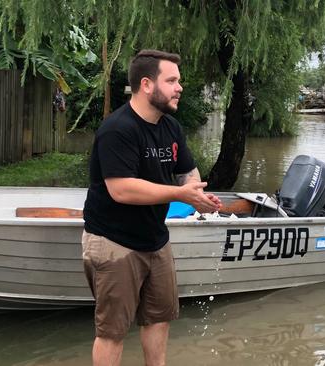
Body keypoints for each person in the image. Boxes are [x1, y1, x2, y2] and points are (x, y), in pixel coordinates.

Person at [82, 49, 222, 366]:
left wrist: (196, 192)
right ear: (147, 84)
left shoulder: (171, 127)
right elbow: (122, 189)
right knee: (112, 331)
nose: (179, 87)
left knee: (159, 317)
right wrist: (180, 194)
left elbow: (187, 170)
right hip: (114, 242)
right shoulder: (117, 129)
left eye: (179, 81)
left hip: (155, 241)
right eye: (171, 80)